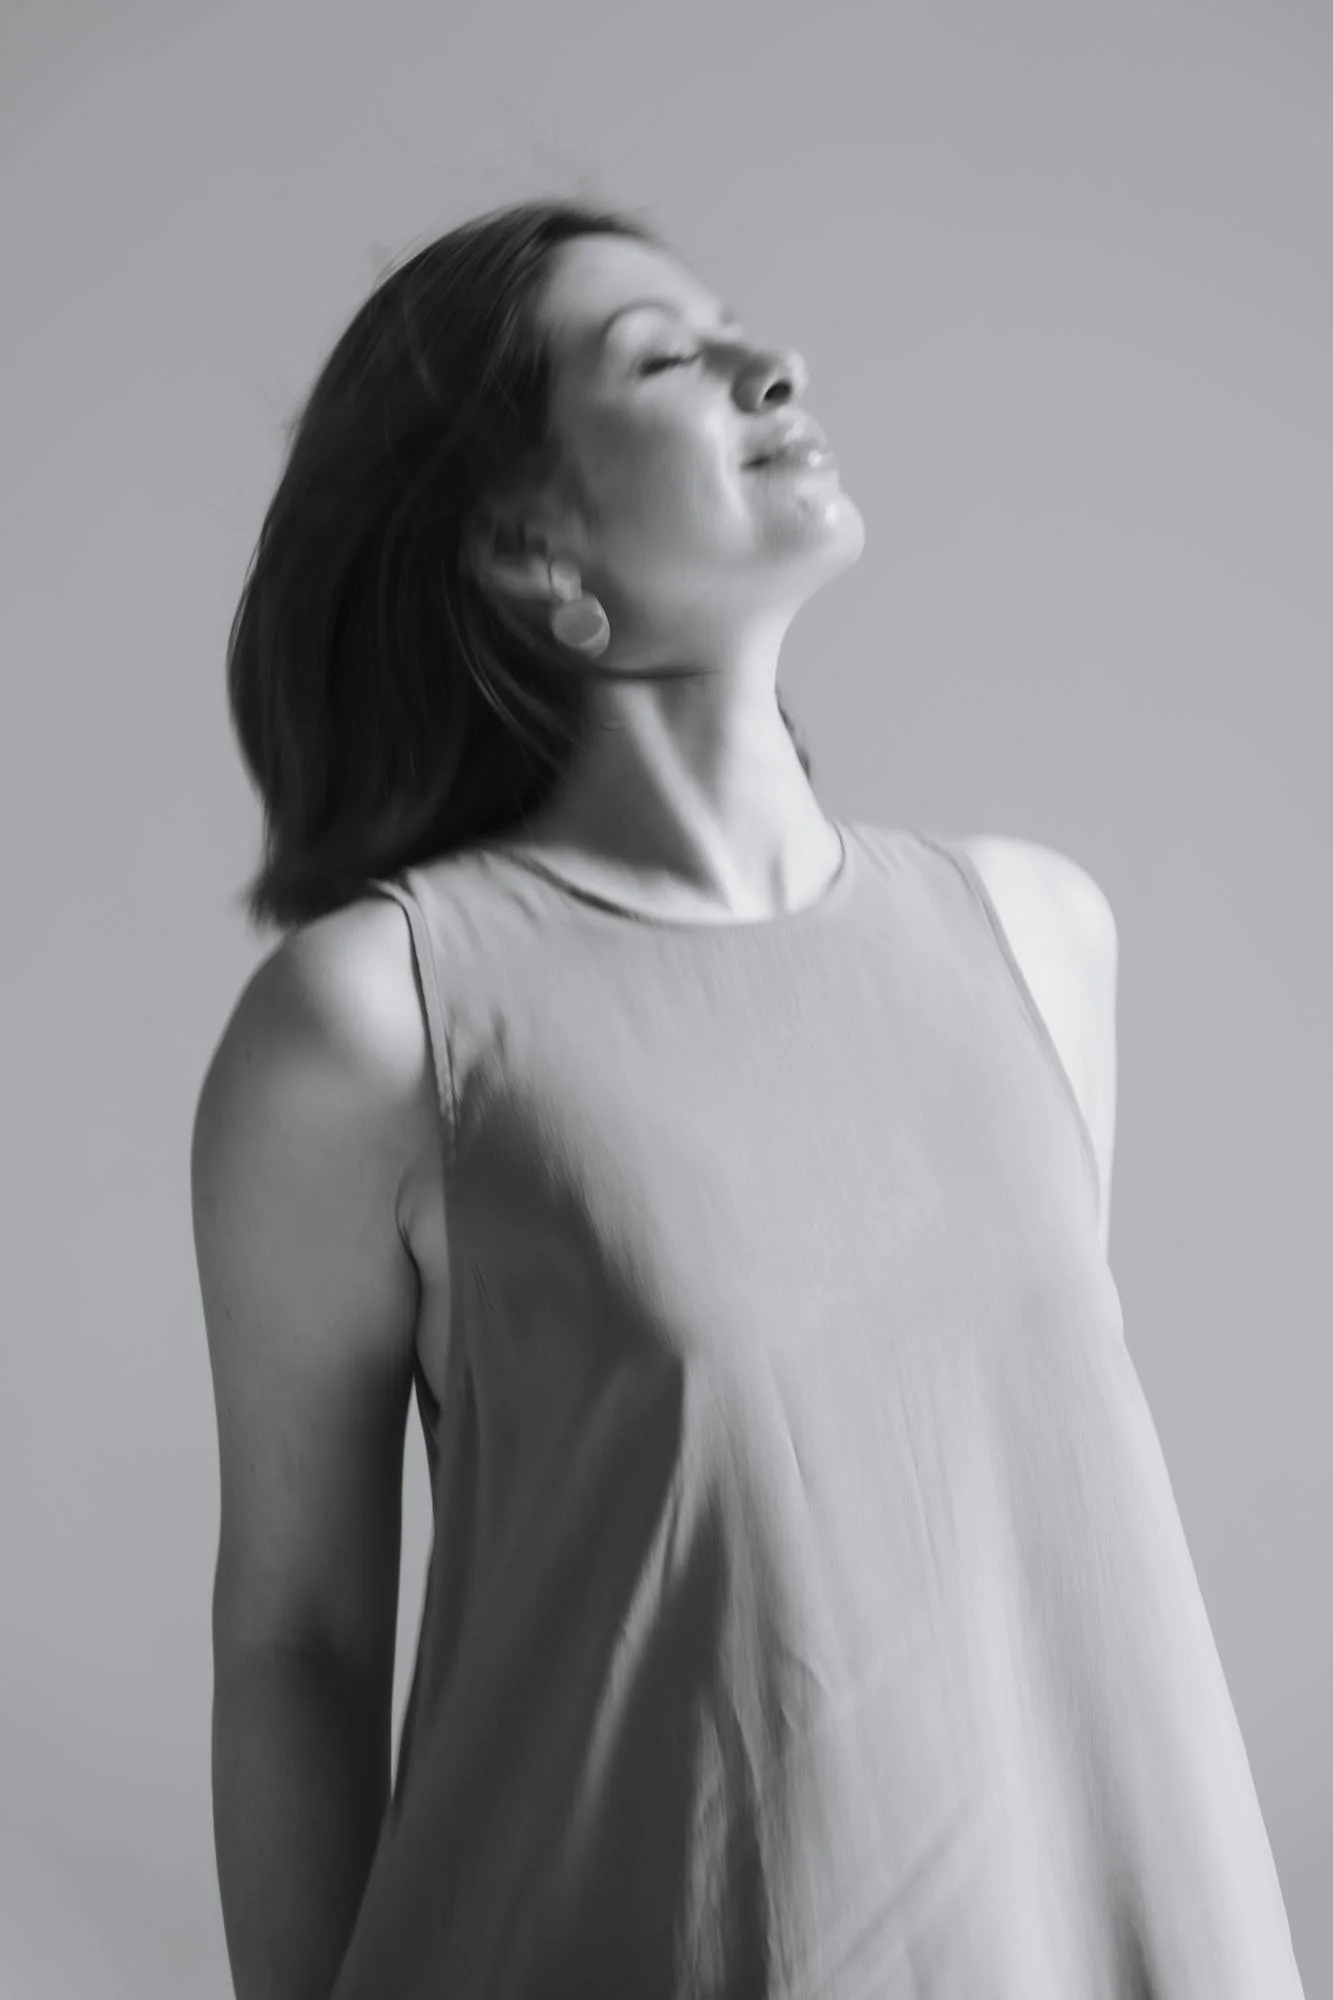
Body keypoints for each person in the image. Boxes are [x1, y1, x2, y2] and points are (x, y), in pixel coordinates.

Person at [191, 197, 1306, 2000]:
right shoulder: (376, 1023)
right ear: (527, 544)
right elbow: (297, 1638)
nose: (770, 364)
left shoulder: (1036, 936)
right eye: (662, 359)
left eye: (736, 329)